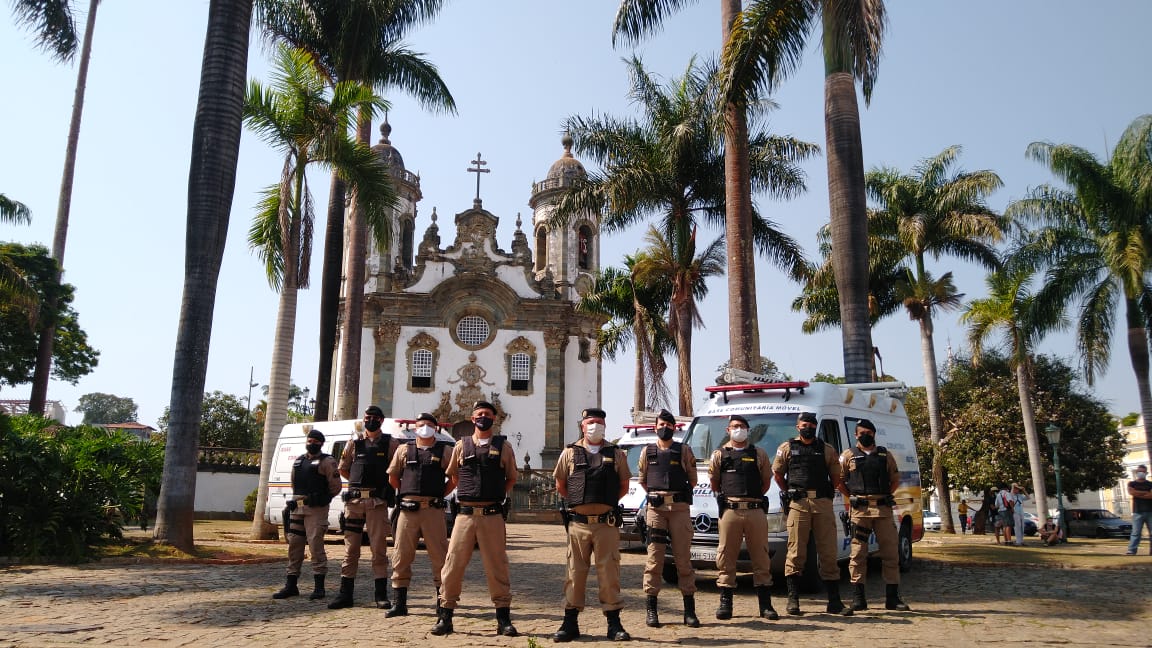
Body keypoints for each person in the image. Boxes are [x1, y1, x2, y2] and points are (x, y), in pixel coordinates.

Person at [433, 401, 520, 637]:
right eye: (480, 414)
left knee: (497, 567)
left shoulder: (504, 447)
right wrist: (471, 493)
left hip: (492, 516)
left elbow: (511, 477)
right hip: (465, 516)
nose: (484, 418)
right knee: (452, 566)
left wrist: (496, 493)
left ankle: (503, 619)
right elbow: (453, 475)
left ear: (495, 419)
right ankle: (446, 616)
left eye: (488, 415)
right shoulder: (461, 446)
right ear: (473, 419)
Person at [552, 407, 632, 642]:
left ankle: (613, 623)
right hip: (578, 525)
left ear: (605, 426)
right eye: (591, 422)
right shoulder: (569, 453)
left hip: (606, 525)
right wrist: (580, 503)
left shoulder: (616, 453)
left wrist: (604, 504)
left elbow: (624, 485)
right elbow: (561, 484)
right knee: (575, 573)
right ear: (583, 426)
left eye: (599, 422)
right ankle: (570, 622)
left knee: (609, 573)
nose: (595, 426)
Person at [772, 411, 853, 617]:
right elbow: (778, 474)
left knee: (828, 550)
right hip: (798, 503)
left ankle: (834, 601)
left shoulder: (826, 449)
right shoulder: (787, 448)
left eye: (811, 424)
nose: (808, 427)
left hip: (822, 504)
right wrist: (789, 491)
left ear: (815, 427)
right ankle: (793, 600)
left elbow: (836, 477)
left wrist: (823, 495)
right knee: (796, 550)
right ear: (798, 427)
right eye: (804, 424)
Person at [330, 405, 402, 610]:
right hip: (354, 504)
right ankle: (345, 595)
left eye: (374, 417)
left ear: (381, 421)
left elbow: (395, 471)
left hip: (377, 503)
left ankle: (380, 595)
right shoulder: (354, 442)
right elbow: (344, 469)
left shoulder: (391, 443)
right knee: (350, 549)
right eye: (367, 417)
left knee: (378, 549)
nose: (370, 420)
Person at [384, 413, 456, 617]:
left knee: (440, 557)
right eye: (421, 424)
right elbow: (393, 477)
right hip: (408, 511)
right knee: (401, 556)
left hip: (433, 510)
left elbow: (454, 478)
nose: (425, 427)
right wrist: (408, 493)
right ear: (415, 428)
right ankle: (399, 603)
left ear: (436, 429)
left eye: (429, 425)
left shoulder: (445, 450)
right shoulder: (404, 449)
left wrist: (438, 494)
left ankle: (442, 603)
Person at [708, 414, 778, 621]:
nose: (739, 429)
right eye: (734, 426)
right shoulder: (719, 454)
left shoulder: (759, 454)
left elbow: (766, 482)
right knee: (726, 556)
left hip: (755, 509)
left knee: (761, 556)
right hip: (730, 510)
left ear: (748, 430)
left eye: (742, 426)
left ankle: (765, 605)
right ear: (728, 430)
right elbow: (715, 483)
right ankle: (725, 604)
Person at [839, 419, 910, 612]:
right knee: (858, 554)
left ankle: (892, 598)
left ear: (874, 434)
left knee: (890, 553)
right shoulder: (848, 456)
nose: (865, 435)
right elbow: (839, 480)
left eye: (869, 432)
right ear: (855, 435)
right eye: (862, 432)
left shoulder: (884, 455)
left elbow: (895, 479)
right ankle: (858, 599)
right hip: (860, 511)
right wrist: (851, 496)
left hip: (883, 510)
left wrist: (887, 495)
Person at [638, 409, 700, 628]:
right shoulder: (647, 451)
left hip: (680, 509)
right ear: (655, 426)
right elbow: (644, 480)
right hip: (656, 511)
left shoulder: (683, 450)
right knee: (655, 559)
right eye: (662, 424)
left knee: (683, 559)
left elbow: (692, 480)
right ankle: (651, 610)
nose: (665, 427)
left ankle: (689, 611)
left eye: (669, 424)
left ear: (675, 428)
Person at [273, 428, 341, 601]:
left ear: (321, 443)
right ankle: (291, 585)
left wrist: (317, 498)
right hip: (298, 508)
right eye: (309, 441)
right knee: (294, 546)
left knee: (315, 546)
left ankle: (319, 587)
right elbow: (294, 484)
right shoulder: (299, 461)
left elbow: (335, 487)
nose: (311, 444)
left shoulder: (327, 462)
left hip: (316, 510)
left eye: (315, 442)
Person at [1126, 465, 1152, 555]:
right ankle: (1131, 550)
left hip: (1150, 511)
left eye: (1143, 471)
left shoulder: (1150, 484)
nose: (1141, 473)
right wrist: (1146, 493)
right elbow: (1132, 492)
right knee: (1136, 533)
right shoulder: (1132, 483)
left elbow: (1151, 495)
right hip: (1137, 511)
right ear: (1137, 473)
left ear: (1146, 473)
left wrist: (1138, 493)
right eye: (1139, 471)